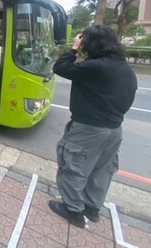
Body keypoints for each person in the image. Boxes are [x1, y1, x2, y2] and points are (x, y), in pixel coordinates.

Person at [48, 25, 137, 228]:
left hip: (89, 128)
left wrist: (73, 49)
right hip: (114, 129)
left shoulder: (96, 67)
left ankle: (72, 210)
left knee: (73, 165)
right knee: (101, 170)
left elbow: (60, 67)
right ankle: (91, 207)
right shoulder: (121, 65)